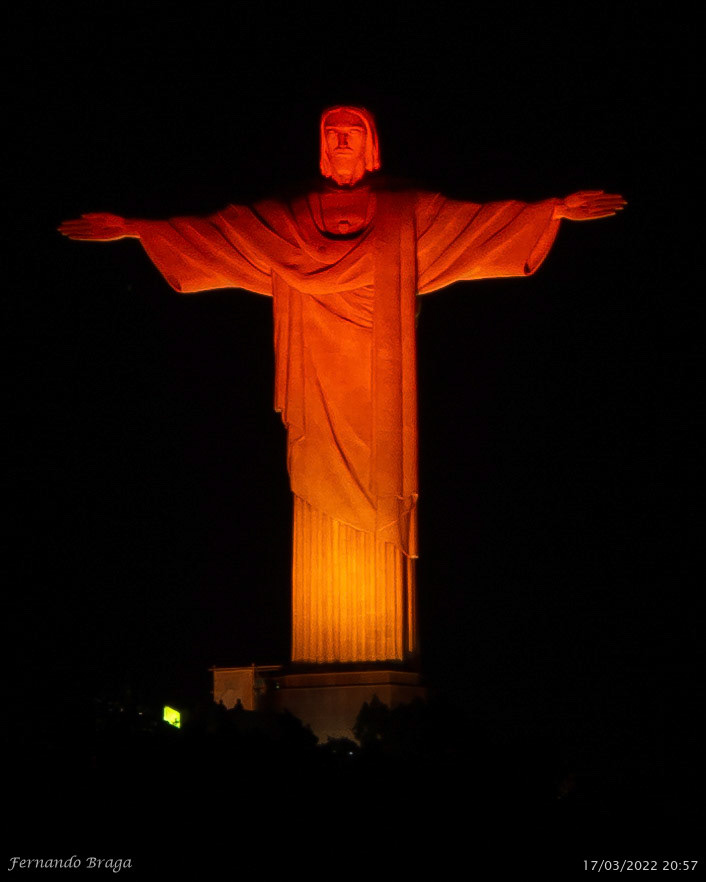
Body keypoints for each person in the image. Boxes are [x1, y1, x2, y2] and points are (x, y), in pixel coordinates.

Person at [59, 106, 625, 665]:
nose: (343, 143)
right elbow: (219, 235)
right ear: (321, 147)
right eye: (334, 135)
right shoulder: (289, 217)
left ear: (372, 145)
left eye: (354, 134)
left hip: (380, 385)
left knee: (378, 496)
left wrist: (551, 212)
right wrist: (138, 228)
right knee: (316, 487)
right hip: (316, 380)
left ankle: (381, 663)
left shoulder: (406, 212)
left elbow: (477, 225)